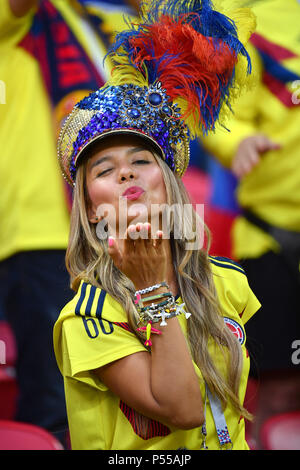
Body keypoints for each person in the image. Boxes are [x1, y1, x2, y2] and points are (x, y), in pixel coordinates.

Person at [53, 0, 261, 450]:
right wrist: (151, 289)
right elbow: (184, 411)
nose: (125, 173)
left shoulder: (228, 283)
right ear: (90, 209)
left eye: (141, 161)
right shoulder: (88, 315)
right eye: (104, 170)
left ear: (169, 185)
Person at [0, 0, 136, 443]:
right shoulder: (28, 14)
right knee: (53, 400)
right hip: (38, 236)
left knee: (116, 396)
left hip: (105, 234)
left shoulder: (108, 25)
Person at [201, 0, 300, 449]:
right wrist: (240, 142)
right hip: (273, 238)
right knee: (281, 389)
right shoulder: (238, 17)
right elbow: (216, 112)